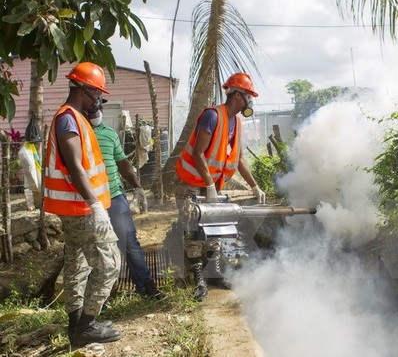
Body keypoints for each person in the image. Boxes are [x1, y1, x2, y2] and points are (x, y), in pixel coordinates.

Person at [43, 62, 121, 347]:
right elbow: (75, 167)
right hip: (83, 210)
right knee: (110, 264)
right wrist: (96, 206)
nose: (99, 100)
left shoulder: (73, 117)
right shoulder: (68, 119)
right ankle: (87, 326)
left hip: (76, 209)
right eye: (98, 93)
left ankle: (76, 328)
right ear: (85, 90)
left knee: (77, 266)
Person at [175, 73, 265, 301]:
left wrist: (255, 186)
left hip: (211, 185)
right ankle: (197, 280)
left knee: (216, 228)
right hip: (192, 183)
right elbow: (198, 153)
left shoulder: (236, 122)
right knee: (194, 230)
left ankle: (213, 273)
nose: (249, 102)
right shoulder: (212, 116)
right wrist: (208, 184)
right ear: (236, 95)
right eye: (248, 96)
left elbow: (240, 159)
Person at [89, 103, 163, 300]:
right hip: (88, 201)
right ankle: (97, 299)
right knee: (95, 248)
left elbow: (122, 162)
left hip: (114, 196)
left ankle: (146, 286)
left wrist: (137, 187)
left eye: (99, 104)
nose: (96, 108)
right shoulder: (76, 132)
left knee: (130, 242)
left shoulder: (109, 133)